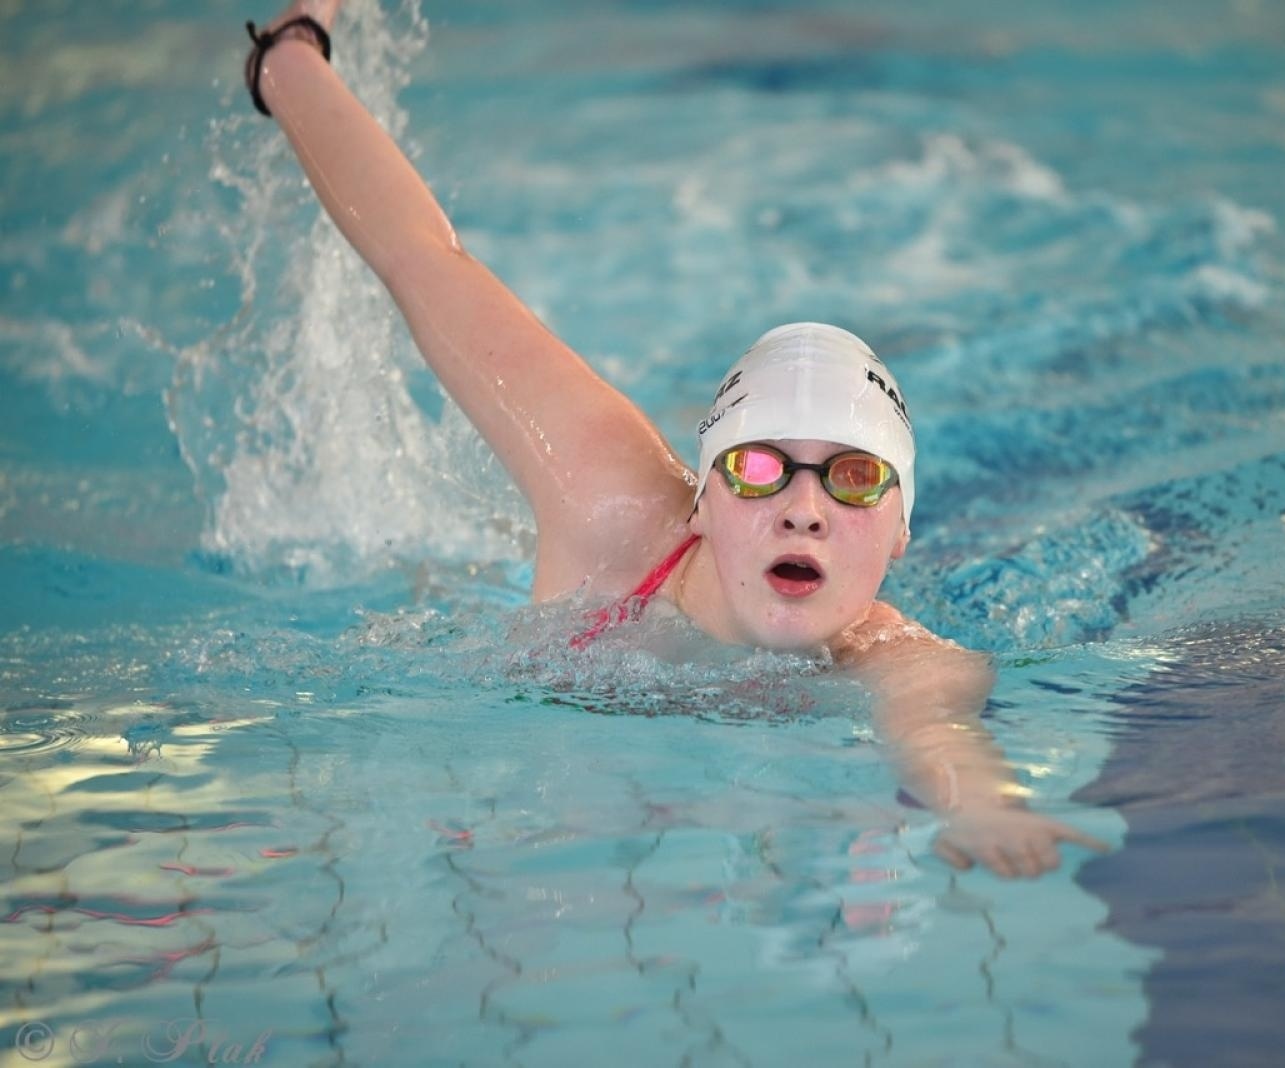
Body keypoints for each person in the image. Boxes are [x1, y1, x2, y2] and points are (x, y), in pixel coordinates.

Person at [243, 0, 1106, 879]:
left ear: (901, 533)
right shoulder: (608, 502)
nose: (803, 510)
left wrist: (991, 810)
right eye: (761, 469)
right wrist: (288, 56)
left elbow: (938, 732)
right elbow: (421, 258)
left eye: (851, 480)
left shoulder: (898, 661)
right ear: (701, 502)